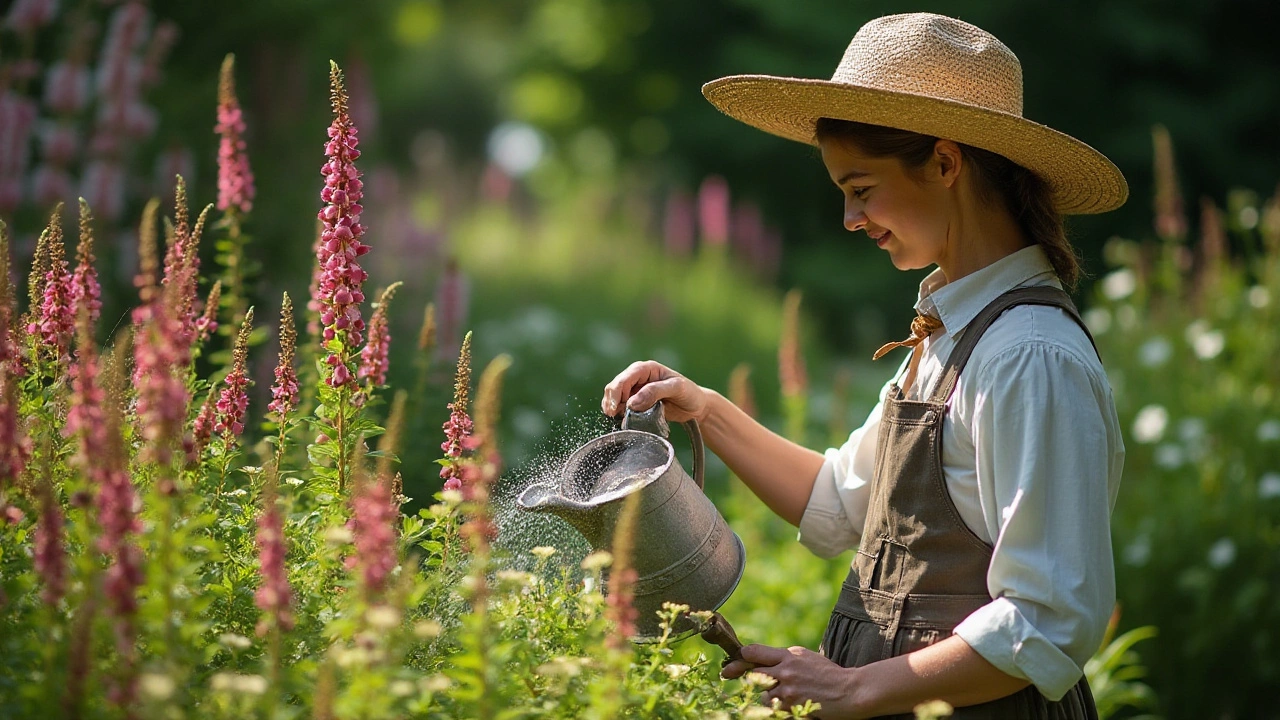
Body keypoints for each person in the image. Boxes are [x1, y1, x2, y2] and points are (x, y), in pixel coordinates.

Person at [601, 12, 1127, 720]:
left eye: (862, 188)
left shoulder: (1029, 355)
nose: (851, 220)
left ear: (945, 163)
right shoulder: (950, 336)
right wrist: (705, 410)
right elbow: (839, 502)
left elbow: (1049, 618)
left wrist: (851, 686)